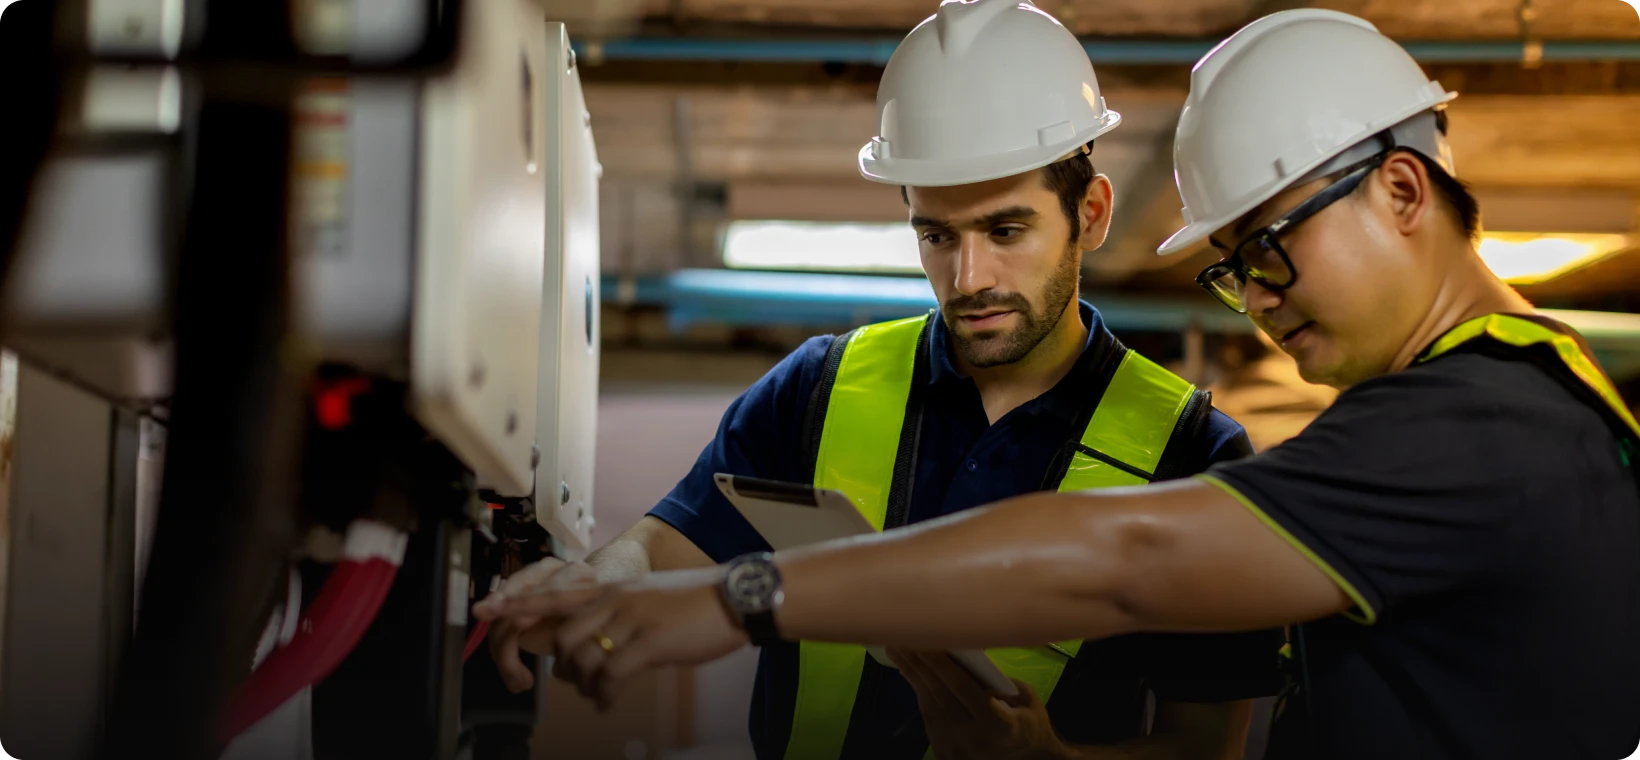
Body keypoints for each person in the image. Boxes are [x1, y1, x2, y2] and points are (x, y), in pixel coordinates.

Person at [478, 8, 1640, 760]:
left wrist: (736, 600)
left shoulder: (1475, 426)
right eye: (1233, 269)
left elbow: (1124, 561)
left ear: (1398, 190)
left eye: (1266, 249)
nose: (1262, 297)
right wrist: (602, 578)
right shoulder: (1507, 412)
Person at [478, 2, 1284, 758]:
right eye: (937, 234)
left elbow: (1206, 746)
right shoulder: (817, 387)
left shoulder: (1195, 454)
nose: (969, 278)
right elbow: (665, 547)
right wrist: (591, 584)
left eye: (1007, 230)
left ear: (1095, 214)